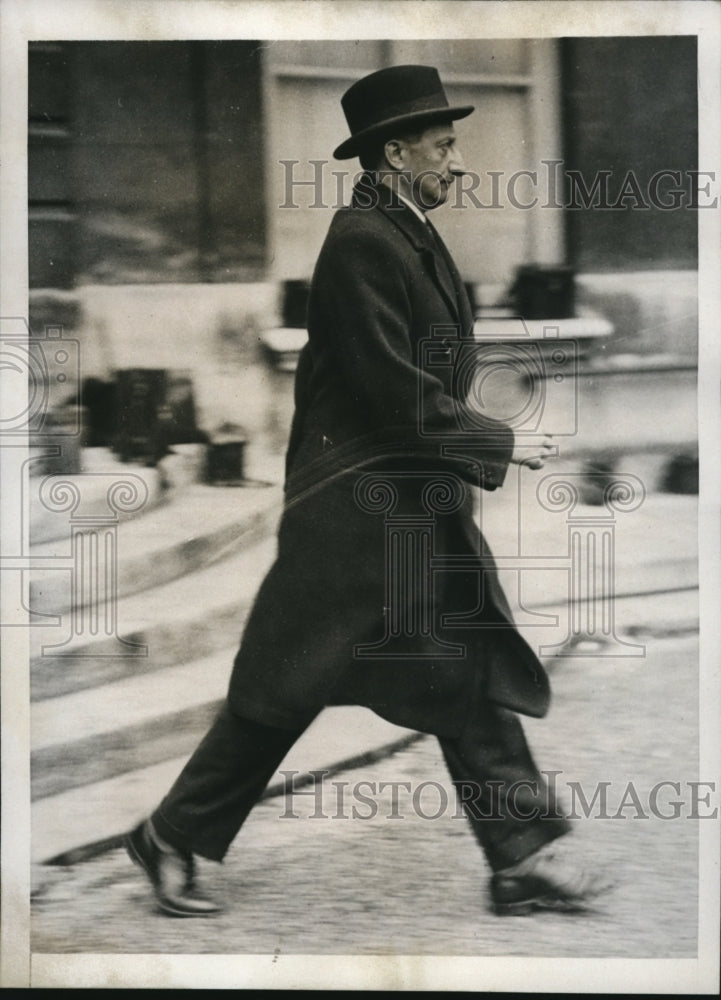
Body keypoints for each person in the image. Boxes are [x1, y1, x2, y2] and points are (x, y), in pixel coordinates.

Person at [126, 65, 608, 919]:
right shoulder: (361, 240)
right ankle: (171, 833)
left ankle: (519, 858)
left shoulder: (406, 229)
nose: (458, 161)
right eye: (443, 144)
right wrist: (496, 441)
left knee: (459, 667)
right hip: (350, 518)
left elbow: (422, 376)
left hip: (404, 508)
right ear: (395, 153)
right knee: (285, 685)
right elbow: (394, 389)